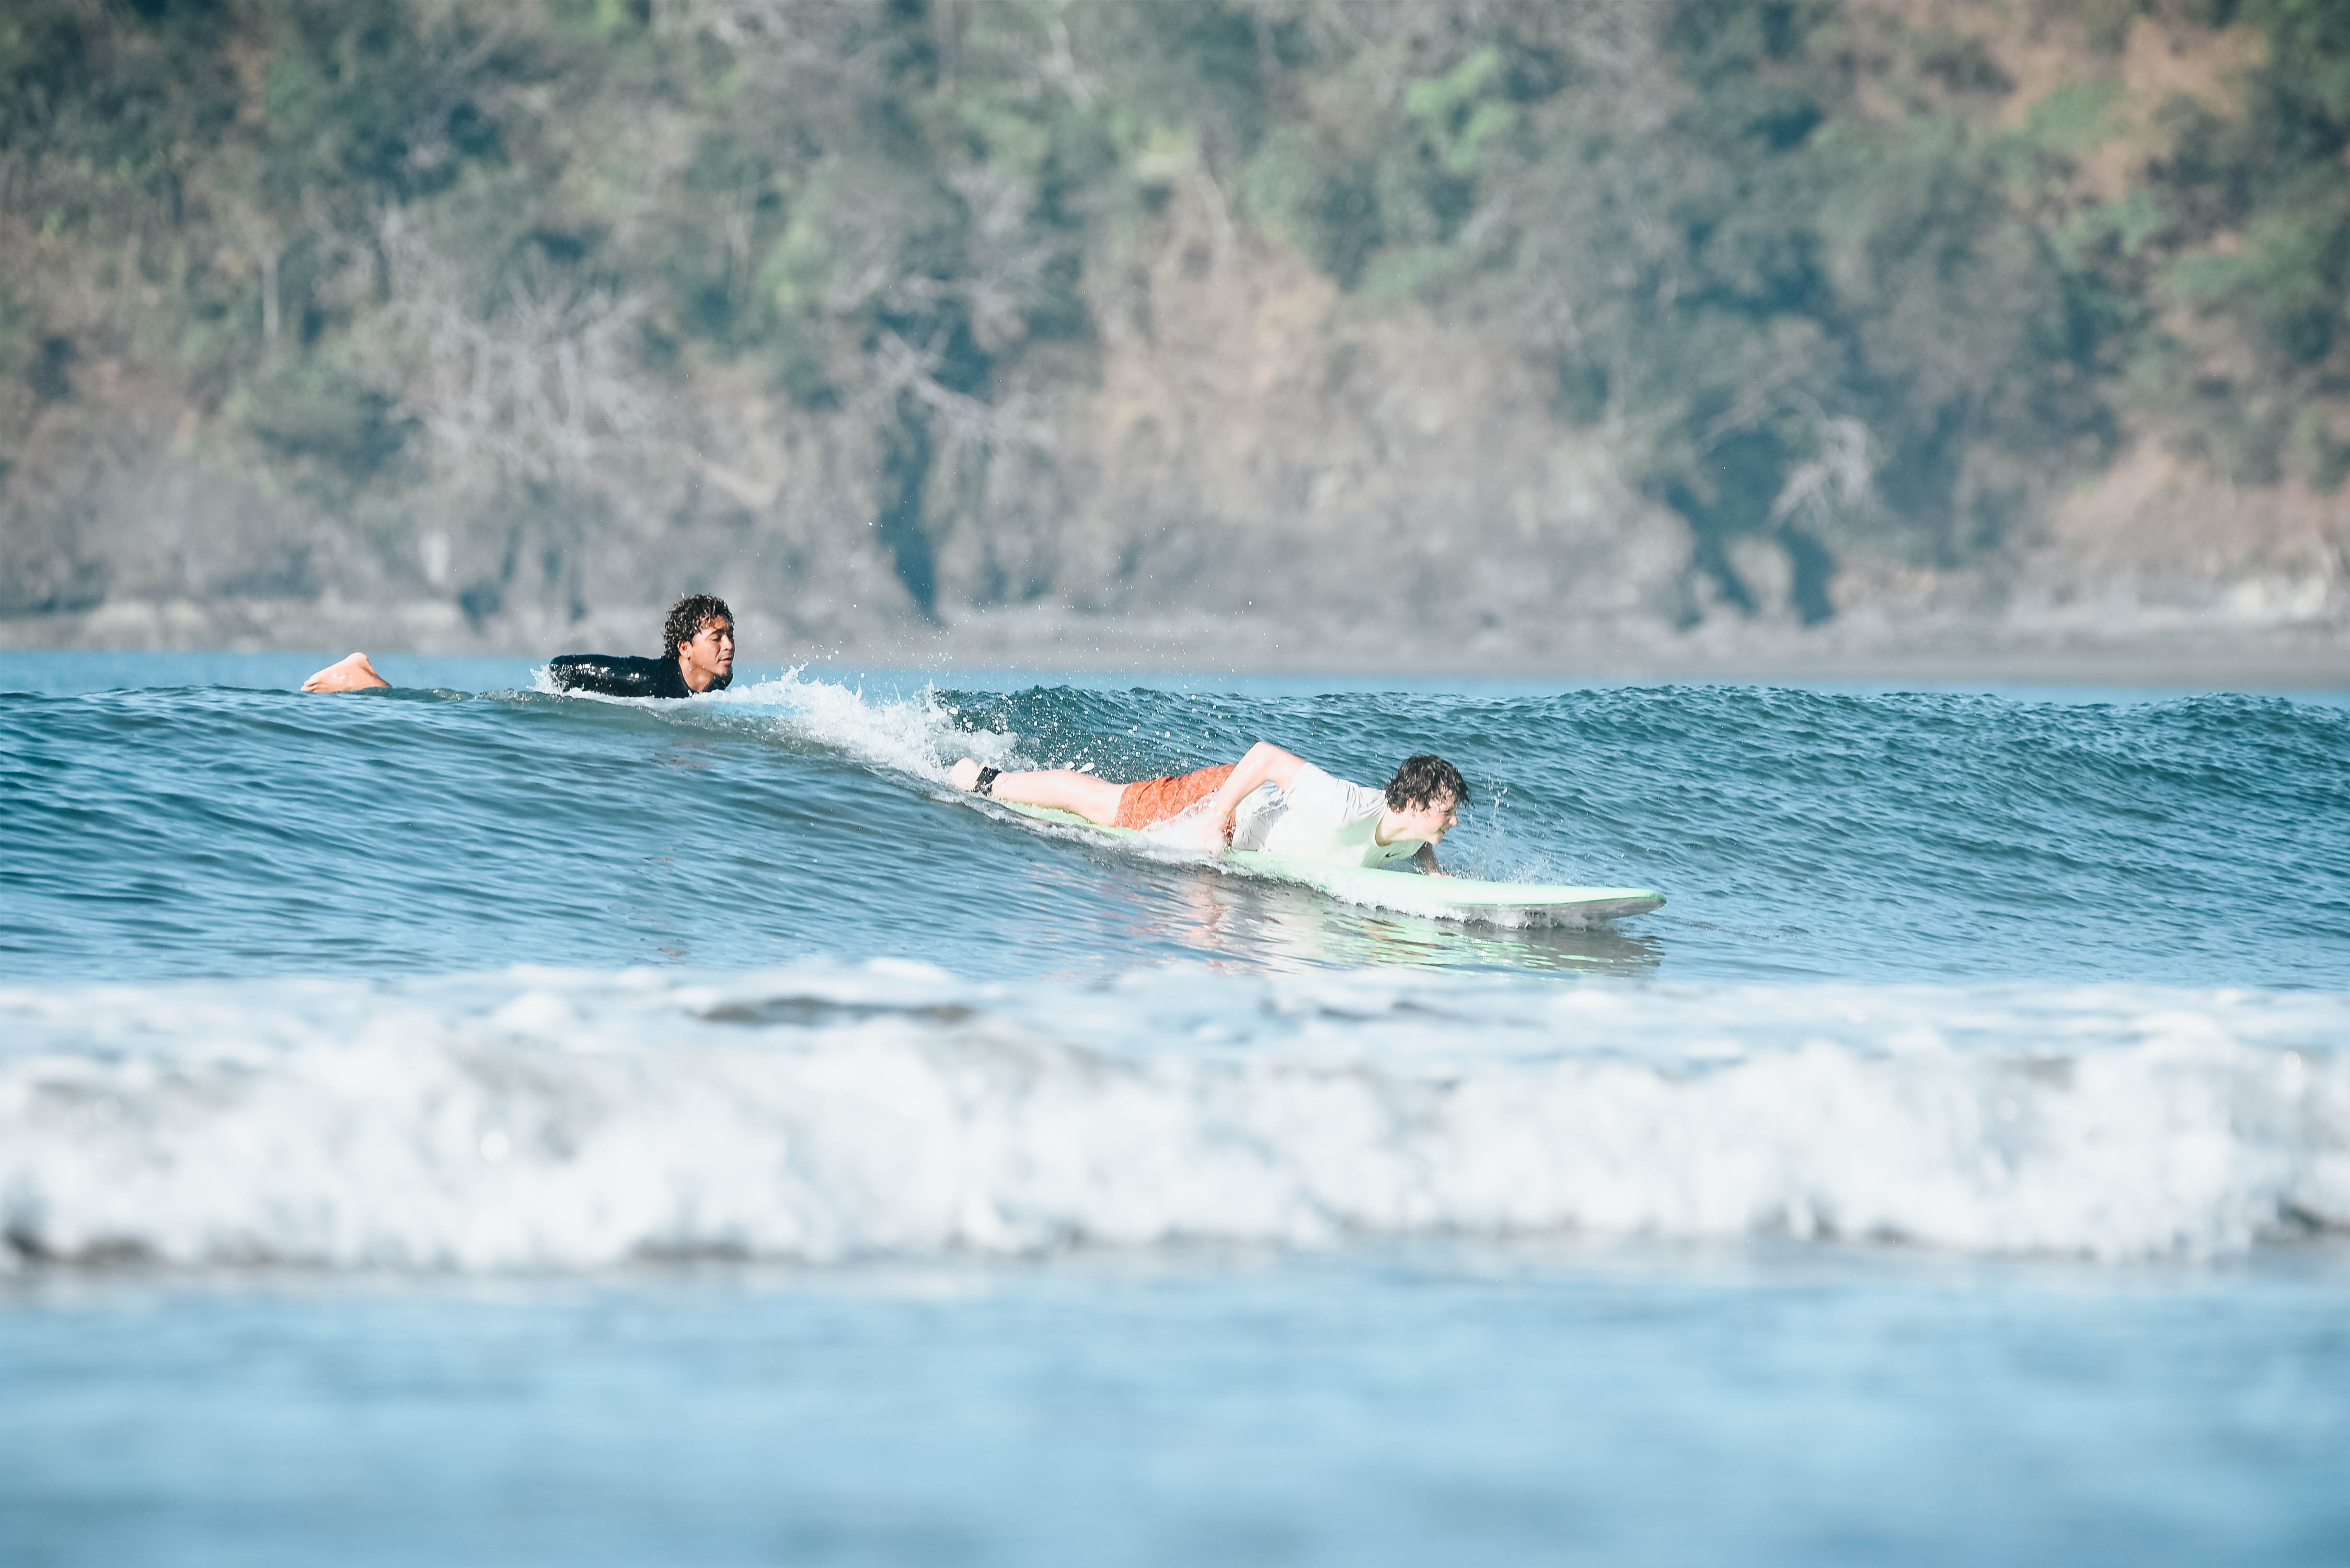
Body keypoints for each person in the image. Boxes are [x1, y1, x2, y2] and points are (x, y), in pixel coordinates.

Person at [947, 742, 1468, 874]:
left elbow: (1413, 839)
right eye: (1446, 812)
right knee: (1105, 805)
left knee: (1106, 806)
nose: (1452, 821)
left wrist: (1433, 867)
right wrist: (1216, 817)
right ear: (1418, 803)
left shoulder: (1410, 827)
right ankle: (986, 780)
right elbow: (1263, 756)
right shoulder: (1341, 805)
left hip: (1242, 815)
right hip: (1221, 799)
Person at [300, 595, 737, 697]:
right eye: (717, 637)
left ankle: (368, 679)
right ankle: (359, 679)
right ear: (684, 648)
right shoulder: (649, 678)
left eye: (730, 635)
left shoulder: (709, 690)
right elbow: (564, 666)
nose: (729, 645)